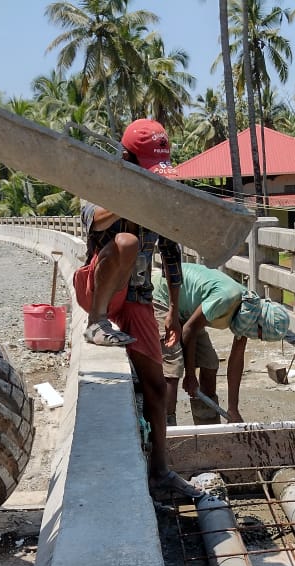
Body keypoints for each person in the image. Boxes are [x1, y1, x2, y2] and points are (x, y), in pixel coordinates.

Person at [72, 118, 201, 500]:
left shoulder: (158, 196)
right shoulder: (101, 183)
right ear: (126, 160)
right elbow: (91, 219)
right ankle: (96, 323)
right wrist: (131, 195)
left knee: (157, 387)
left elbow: (171, 255)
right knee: (126, 242)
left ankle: (160, 471)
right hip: (100, 289)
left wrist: (173, 309)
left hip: (137, 298)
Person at [151, 263, 290, 424]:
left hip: (189, 313)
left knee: (210, 364)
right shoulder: (228, 299)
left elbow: (236, 361)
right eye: (260, 335)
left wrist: (233, 408)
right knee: (173, 367)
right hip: (164, 296)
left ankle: (208, 427)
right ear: (260, 323)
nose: (257, 338)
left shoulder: (248, 314)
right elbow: (189, 330)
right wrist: (190, 374)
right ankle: (166, 429)